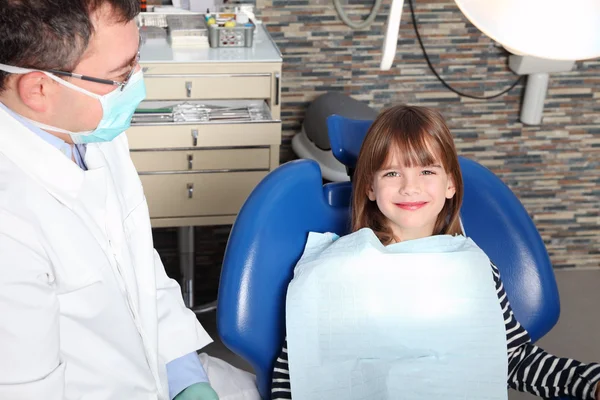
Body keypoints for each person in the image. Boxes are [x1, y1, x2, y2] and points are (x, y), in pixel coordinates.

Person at [0, 1, 258, 399]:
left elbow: (137, 262)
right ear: (38, 89)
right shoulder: (10, 222)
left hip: (159, 370)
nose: (138, 83)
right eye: (121, 76)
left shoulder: (86, 128)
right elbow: (27, 389)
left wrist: (185, 376)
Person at [271, 105, 600, 400]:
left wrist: (589, 381)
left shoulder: (473, 269)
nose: (409, 186)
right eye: (392, 172)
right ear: (369, 186)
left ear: (450, 184)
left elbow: (511, 359)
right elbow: (297, 374)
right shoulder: (333, 271)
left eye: (426, 171)